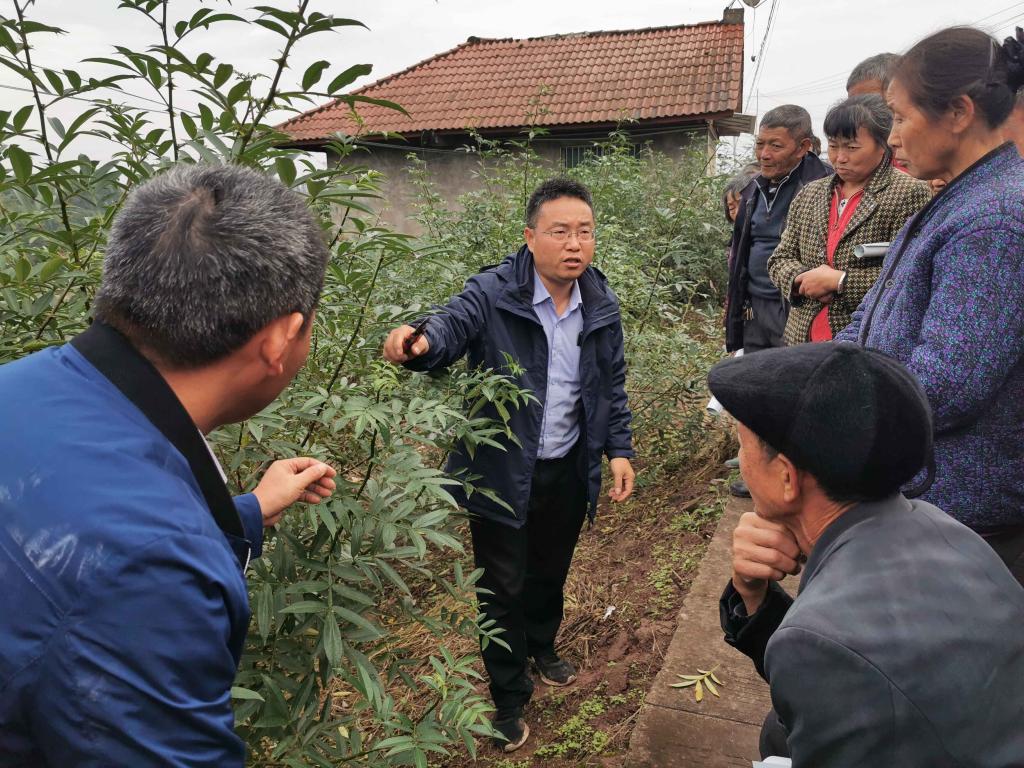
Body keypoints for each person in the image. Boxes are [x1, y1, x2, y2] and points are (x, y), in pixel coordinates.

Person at [0, 165, 338, 766]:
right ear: (280, 340)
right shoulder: (152, 570)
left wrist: (248, 512)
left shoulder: (21, 385)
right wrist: (185, 542)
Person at [381, 178, 635, 752]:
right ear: (530, 236)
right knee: (501, 586)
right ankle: (509, 695)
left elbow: (610, 383)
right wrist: (420, 343)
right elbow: (450, 324)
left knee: (550, 569)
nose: (575, 243)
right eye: (560, 231)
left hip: (567, 464)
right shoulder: (493, 292)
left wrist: (619, 449)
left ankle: (541, 647)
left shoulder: (600, 299)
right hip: (500, 471)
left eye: (585, 231)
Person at [711, 343, 1024, 767]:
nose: (741, 462)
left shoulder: (823, 639)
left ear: (786, 478)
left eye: (743, 445)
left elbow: (841, 655)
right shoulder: (941, 527)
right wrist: (753, 595)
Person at [836, 26, 1024, 584]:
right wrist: (816, 372)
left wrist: (830, 415)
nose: (892, 138)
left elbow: (945, 384)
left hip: (962, 522)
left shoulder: (995, 220)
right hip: (929, 504)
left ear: (959, 112)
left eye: (899, 117)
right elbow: (868, 316)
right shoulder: (958, 197)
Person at [724, 105, 829, 497]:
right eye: (760, 144)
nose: (764, 154)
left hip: (797, 308)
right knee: (759, 385)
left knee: (795, 388)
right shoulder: (754, 188)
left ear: (804, 147)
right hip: (756, 304)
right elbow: (741, 248)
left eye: (775, 146)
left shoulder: (822, 186)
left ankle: (797, 474)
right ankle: (763, 468)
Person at [768, 95, 930, 345]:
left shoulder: (909, 193)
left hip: (864, 340)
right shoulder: (811, 193)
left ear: (882, 145)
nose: (840, 157)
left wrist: (841, 281)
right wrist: (803, 278)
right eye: (834, 146)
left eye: (852, 148)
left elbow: (911, 276)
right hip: (802, 340)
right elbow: (779, 258)